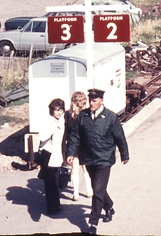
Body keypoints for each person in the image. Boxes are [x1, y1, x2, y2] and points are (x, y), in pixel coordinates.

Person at [65, 88, 130, 234]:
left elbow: (120, 137)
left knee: (98, 189)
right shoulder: (83, 116)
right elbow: (75, 136)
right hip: (88, 158)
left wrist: (125, 154)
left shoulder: (111, 117)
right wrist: (70, 152)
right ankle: (109, 206)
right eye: (90, 100)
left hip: (104, 158)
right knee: (97, 187)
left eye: (94, 100)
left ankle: (93, 223)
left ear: (101, 100)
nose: (91, 103)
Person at [38, 98, 66, 215]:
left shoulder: (61, 121)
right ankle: (52, 206)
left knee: (55, 181)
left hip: (57, 156)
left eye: (61, 110)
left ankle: (55, 203)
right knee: (50, 182)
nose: (59, 113)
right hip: (48, 155)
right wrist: (54, 127)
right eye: (56, 110)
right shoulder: (49, 121)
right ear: (52, 110)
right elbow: (43, 136)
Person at [65, 91, 93, 201]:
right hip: (82, 144)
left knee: (76, 169)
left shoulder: (68, 114)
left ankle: (76, 193)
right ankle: (88, 190)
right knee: (84, 168)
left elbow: (66, 130)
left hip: (74, 144)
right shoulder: (87, 114)